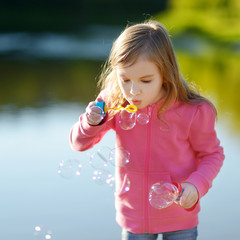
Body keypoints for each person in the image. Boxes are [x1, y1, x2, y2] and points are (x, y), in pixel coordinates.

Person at [70, 20, 224, 240]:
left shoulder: (193, 111)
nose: (133, 91)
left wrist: (196, 186)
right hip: (133, 218)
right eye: (125, 79)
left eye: (145, 80)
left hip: (179, 217)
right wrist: (91, 122)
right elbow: (78, 144)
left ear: (165, 74)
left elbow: (212, 155)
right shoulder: (113, 101)